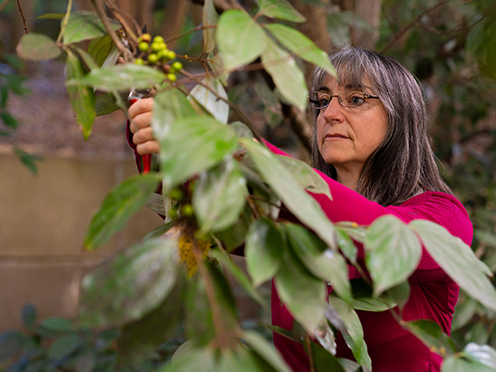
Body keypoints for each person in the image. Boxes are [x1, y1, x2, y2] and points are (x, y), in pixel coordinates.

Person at [127, 47, 473, 372]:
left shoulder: (443, 217)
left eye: (355, 99)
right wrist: (157, 146)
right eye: (322, 102)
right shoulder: (286, 222)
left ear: (400, 118)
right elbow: (205, 215)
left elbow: (377, 235)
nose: (330, 114)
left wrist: (231, 147)